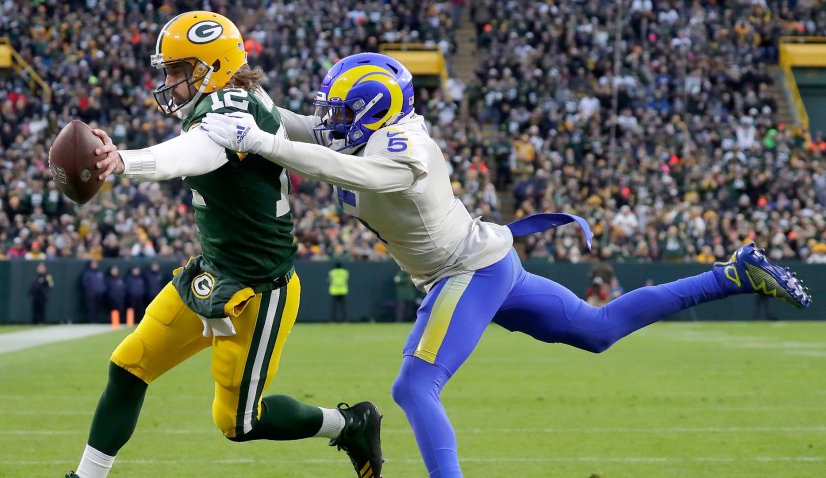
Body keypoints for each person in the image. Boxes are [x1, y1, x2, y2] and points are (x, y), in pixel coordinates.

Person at [202, 51, 812, 478]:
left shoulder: (403, 145)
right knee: (597, 331)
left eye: (342, 110)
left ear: (373, 110)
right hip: (488, 259)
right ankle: (732, 274)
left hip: (465, 271)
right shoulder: (370, 130)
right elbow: (309, 130)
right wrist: (247, 106)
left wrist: (264, 142)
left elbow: (344, 168)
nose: (331, 120)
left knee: (414, 387)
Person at [65, 12, 381, 478]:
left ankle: (350, 423)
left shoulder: (232, 107)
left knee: (237, 423)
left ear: (213, 65)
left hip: (259, 289)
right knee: (129, 365)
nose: (168, 83)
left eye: (177, 70)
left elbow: (196, 152)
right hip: (214, 270)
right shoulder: (238, 96)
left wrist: (125, 161)